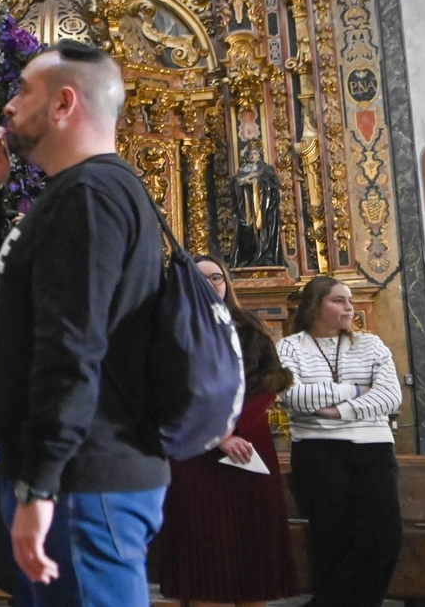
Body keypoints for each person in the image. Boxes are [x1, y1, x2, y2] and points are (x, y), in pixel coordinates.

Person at [0, 40, 168, 607]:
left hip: (84, 481)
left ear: (62, 105)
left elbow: (71, 348)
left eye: (24, 89)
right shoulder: (67, 196)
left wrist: (40, 485)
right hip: (61, 478)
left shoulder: (92, 196)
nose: (8, 105)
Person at [155, 255, 297, 607]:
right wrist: (217, 435)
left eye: (217, 277)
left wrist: (232, 431)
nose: (211, 283)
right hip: (195, 451)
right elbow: (165, 392)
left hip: (248, 446)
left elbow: (267, 385)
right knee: (206, 553)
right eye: (201, 278)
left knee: (251, 553)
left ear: (226, 283)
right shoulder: (169, 330)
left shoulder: (250, 327)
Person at [276, 276, 404, 607]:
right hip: (317, 450)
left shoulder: (371, 345)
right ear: (315, 306)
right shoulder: (290, 347)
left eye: (350, 300)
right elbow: (292, 396)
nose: (350, 307)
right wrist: (355, 390)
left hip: (373, 447)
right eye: (339, 300)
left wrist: (340, 411)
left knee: (385, 537)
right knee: (332, 539)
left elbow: (390, 397)